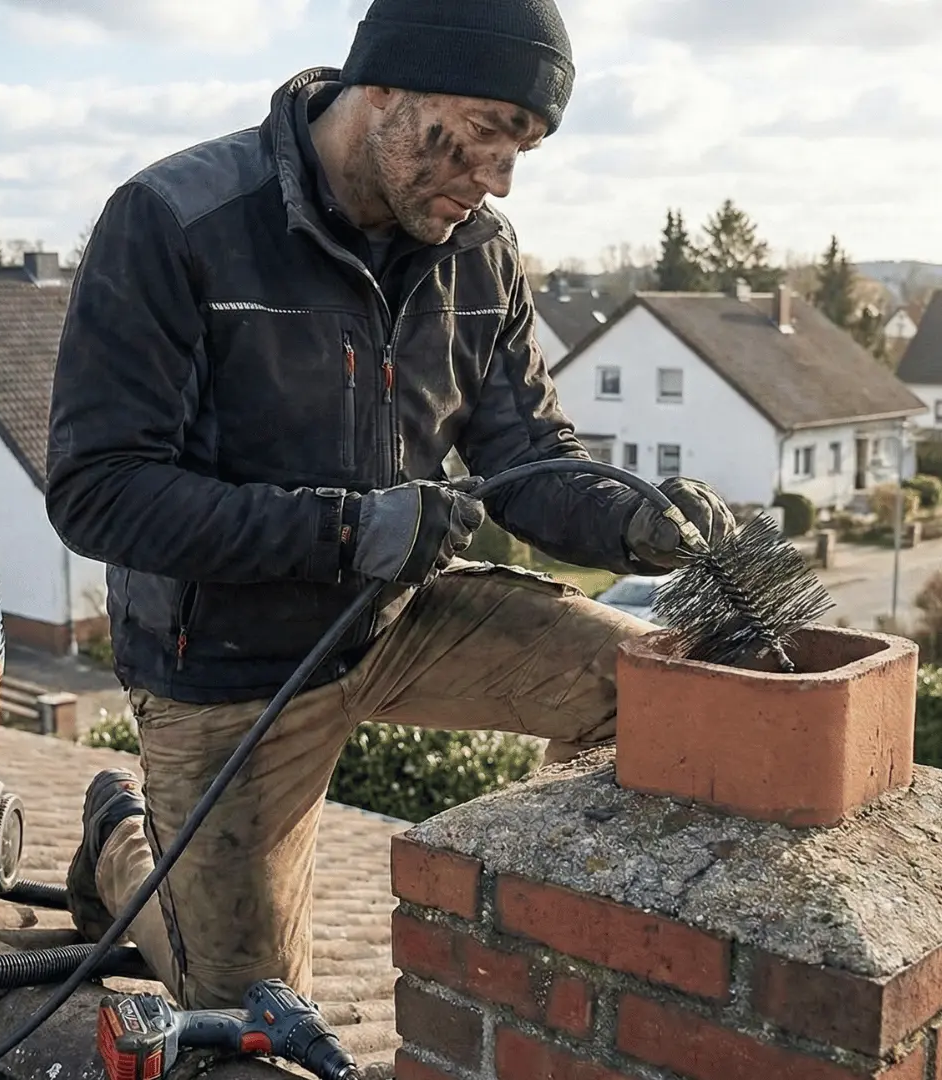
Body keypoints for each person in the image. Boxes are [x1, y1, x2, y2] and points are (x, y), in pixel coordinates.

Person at [45, 0, 736, 1012]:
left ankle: (537, 959)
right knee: (251, 1016)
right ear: (383, 89)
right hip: (230, 661)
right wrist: (345, 529)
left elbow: (529, 453)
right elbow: (98, 490)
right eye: (481, 134)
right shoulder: (176, 224)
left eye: (523, 148)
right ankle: (120, 851)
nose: (497, 178)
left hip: (398, 617)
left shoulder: (478, 251)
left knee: (656, 694)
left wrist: (625, 518)